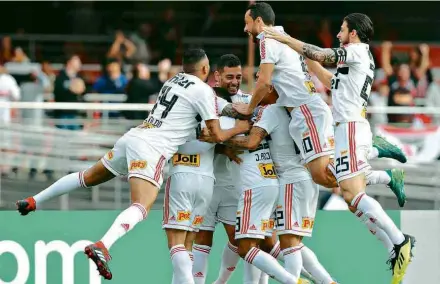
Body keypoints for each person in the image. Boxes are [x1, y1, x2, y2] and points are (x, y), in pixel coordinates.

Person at [15, 48, 250, 281]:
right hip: (152, 149)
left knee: (86, 177)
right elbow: (218, 134)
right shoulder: (202, 91)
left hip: (133, 136)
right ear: (206, 69)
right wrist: (242, 126)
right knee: (142, 206)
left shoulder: (173, 81)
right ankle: (103, 245)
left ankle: (34, 200)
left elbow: (223, 106)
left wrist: (236, 108)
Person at [262, 12, 416, 283]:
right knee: (350, 197)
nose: (338, 34)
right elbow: (332, 82)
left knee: (354, 195)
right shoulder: (357, 58)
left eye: (342, 30)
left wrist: (285, 38)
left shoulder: (356, 50)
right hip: (348, 128)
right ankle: (384, 173)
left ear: (353, 33)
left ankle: (400, 241)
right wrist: (306, 61)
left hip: (351, 127)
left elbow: (323, 55)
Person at [234, 3, 407, 209]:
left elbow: (264, 83)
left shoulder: (268, 39)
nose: (245, 29)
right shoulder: (282, 38)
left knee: (327, 177)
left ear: (259, 21)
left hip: (307, 112)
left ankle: (379, 162)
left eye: (247, 23)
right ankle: (377, 157)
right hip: (305, 111)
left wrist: (249, 107)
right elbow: (326, 79)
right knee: (328, 176)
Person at [222, 91, 338, 283]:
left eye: (264, 84)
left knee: (289, 244)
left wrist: (221, 139)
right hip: (304, 177)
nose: (257, 90)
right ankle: (327, 281)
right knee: (288, 243)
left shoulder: (272, 111)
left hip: (290, 180)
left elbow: (251, 142)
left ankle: (295, 281)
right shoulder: (301, 111)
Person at [192, 54, 252, 284]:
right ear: (217, 76)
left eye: (238, 76)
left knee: (238, 240)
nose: (234, 81)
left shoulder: (247, 102)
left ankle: (221, 282)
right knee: (202, 239)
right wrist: (223, 148)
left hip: (234, 184)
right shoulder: (205, 102)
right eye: (229, 77)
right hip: (206, 180)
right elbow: (197, 137)